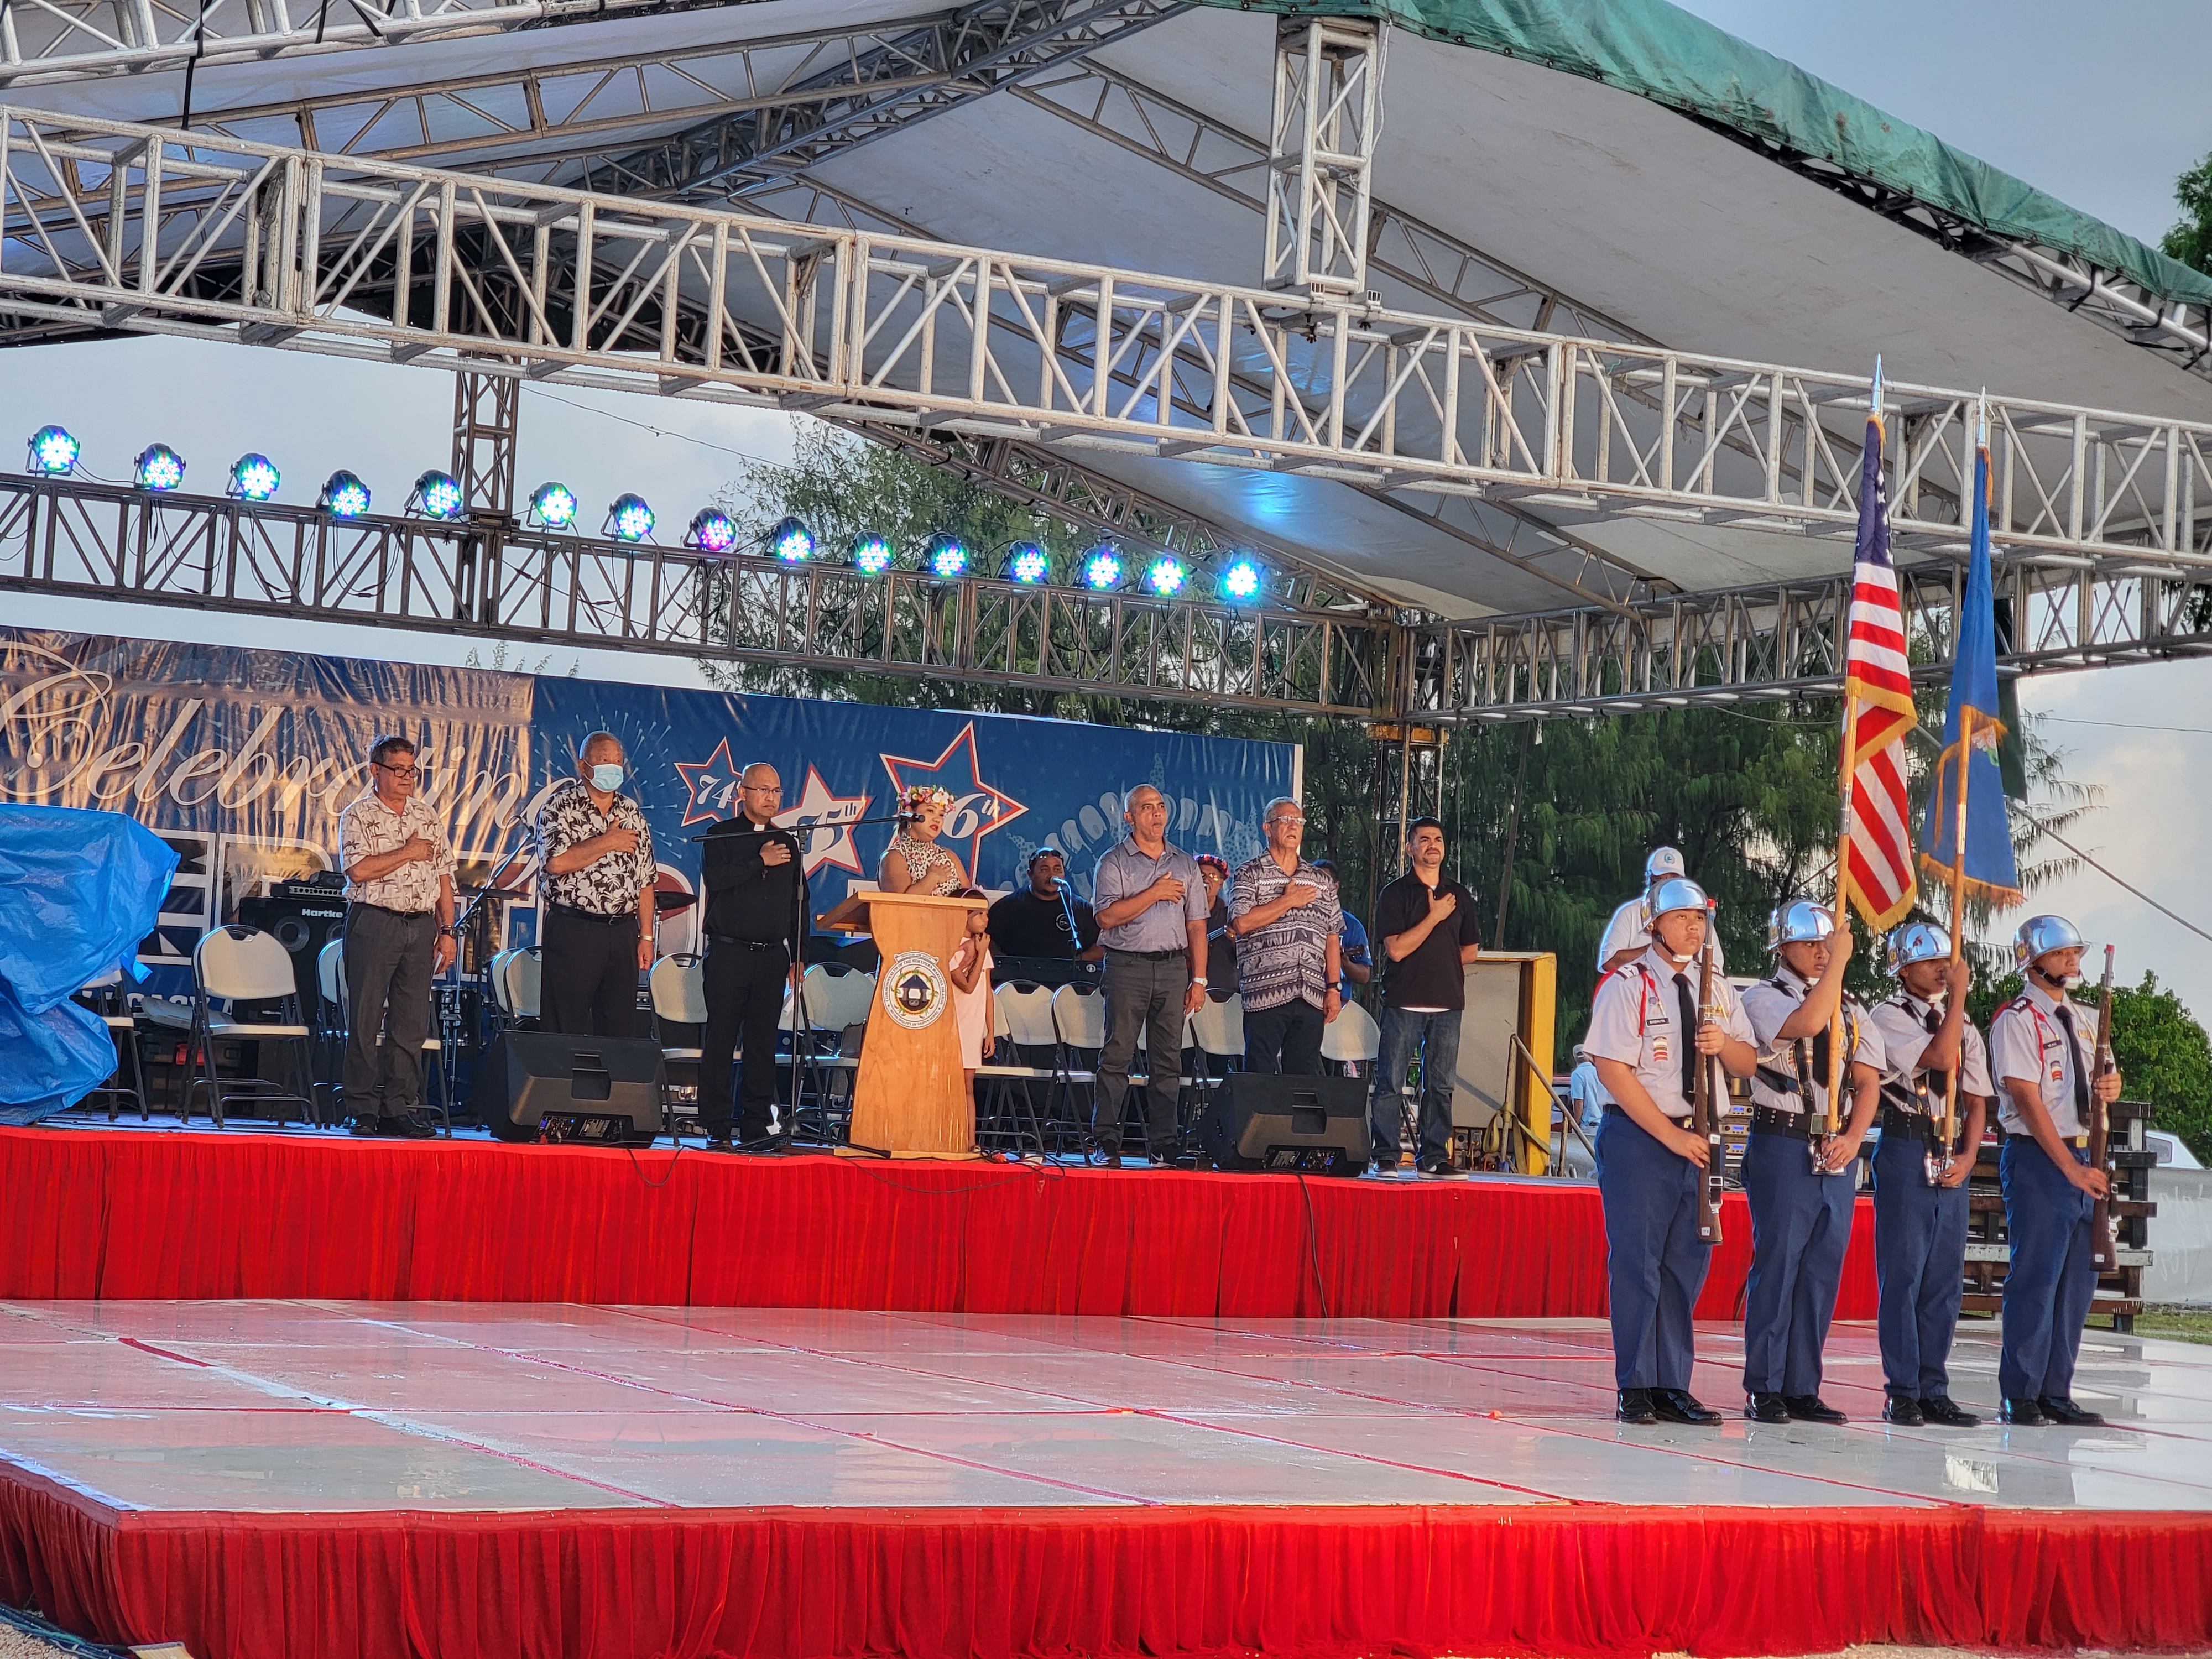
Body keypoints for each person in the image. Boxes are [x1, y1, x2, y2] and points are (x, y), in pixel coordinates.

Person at [1585, 877, 1759, 1425]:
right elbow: (1612, 1068)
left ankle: (1671, 1383)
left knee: (1686, 1265)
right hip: (1644, 1138)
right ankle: (1634, 1383)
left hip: (1701, 1138)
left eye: (1699, 918)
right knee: (1638, 1263)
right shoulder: (1629, 984)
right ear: (1654, 924)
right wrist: (1669, 1135)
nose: (1692, 926)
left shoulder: (1718, 988)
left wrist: (1722, 1044)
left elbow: (1748, 1063)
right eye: (1681, 917)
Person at [1738, 900, 1886, 1426]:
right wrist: (1842, 964)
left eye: (1827, 946)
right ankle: (1765, 1383)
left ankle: (1803, 1385)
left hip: (1837, 1149)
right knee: (1778, 1265)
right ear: (1782, 948)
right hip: (1783, 1142)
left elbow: (1868, 1081)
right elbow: (1804, 1023)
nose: (1822, 955)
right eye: (1809, 945)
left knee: (1821, 1272)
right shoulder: (1760, 997)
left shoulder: (1851, 1007)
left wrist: (1853, 1137)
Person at [1989, 914, 2122, 1427]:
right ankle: (2020, 1393)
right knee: (2036, 1278)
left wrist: (2112, 1085)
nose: (2074, 961)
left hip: (2084, 1157)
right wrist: (2069, 1167)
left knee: (2075, 1284)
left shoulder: (2085, 1017)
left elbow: (2106, 1073)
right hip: (2042, 1160)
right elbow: (2027, 1099)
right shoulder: (2018, 1019)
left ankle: (2055, 1390)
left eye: (2076, 954)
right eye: (2064, 953)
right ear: (2035, 960)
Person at [1867, 921, 1989, 1427]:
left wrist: (1969, 1155)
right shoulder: (1887, 1016)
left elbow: (1978, 1101)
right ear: (1903, 969)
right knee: (1905, 1273)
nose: (1943, 968)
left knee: (1943, 1279)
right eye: (1930, 961)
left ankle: (1933, 1385)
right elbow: (1938, 1056)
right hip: (1906, 1143)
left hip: (1950, 1147)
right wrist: (1958, 998)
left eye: (1947, 960)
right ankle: (1903, 1388)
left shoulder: (1965, 1025)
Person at [335, 735, 456, 1138]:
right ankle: (362, 1108)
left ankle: (400, 1107)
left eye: (412, 769)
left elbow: (443, 877)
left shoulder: (427, 815)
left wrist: (447, 930)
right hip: (374, 920)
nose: (407, 777)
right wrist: (407, 851)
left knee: (410, 1022)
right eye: (398, 769)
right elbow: (358, 871)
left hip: (420, 923)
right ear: (376, 771)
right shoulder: (358, 815)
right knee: (365, 1019)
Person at [1089, 785, 1208, 1167]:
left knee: (1168, 1061)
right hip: (1128, 966)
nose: (1156, 815)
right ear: (1129, 817)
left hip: (1174, 968)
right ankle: (1106, 1140)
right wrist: (1155, 893)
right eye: (1146, 808)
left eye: (1160, 807)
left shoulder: (1186, 864)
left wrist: (1200, 980)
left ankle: (1164, 1144)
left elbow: (1196, 927)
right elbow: (1106, 918)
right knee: (1118, 1055)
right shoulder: (1114, 862)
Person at [696, 763, 806, 1152]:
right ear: (742, 792)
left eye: (777, 791)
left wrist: (799, 955)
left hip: (772, 957)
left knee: (762, 1043)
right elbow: (717, 880)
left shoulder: (789, 843)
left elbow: (799, 903)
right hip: (728, 953)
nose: (770, 798)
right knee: (722, 1039)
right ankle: (717, 1124)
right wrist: (760, 861)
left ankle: (756, 1124)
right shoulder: (719, 835)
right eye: (763, 790)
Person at [1368, 817, 1481, 1176]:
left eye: (1438, 839)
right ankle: (1385, 1154)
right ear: (1410, 848)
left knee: (1441, 1084)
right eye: (1424, 839)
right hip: (1404, 1001)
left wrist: (1439, 963)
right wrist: (1432, 919)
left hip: (1448, 1003)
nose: (1433, 845)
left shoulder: (1459, 894)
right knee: (1390, 1080)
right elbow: (1397, 950)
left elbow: (1471, 949)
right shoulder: (1396, 894)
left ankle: (1433, 1156)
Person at [534, 732, 656, 1037]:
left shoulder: (631, 812)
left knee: (619, 1025)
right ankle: (562, 1085)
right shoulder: (559, 807)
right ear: (583, 765)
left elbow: (645, 879)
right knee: (566, 1022)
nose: (612, 768)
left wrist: (646, 936)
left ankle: (611, 1085)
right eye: (604, 760)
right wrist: (608, 842)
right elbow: (556, 862)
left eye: (617, 762)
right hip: (575, 929)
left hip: (622, 932)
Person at [1228, 799, 1342, 1074]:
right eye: (1286, 820)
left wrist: (1333, 988)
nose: (1294, 826)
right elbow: (1241, 923)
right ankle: (1260, 1121)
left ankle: (1299, 1121)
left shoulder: (1320, 880)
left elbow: (1332, 936)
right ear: (1268, 828)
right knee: (1261, 1075)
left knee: (1304, 1077)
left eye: (1299, 821)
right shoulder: (1249, 872)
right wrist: (1287, 901)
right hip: (1265, 991)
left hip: (1311, 994)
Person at [1599, 847, 1726, 977]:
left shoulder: (1697, 915)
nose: (1666, 886)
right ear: (1649, 878)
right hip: (1639, 991)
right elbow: (1608, 962)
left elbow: (1715, 970)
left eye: (1672, 880)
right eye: (1661, 879)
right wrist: (1659, 949)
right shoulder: (1630, 912)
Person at [987, 848, 1102, 964]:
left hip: (1069, 979)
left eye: (1057, 869)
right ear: (1030, 874)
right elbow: (988, 943)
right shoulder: (1007, 907)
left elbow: (1100, 947)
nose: (1052, 875)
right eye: (1044, 870)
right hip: (1019, 979)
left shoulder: (1081, 909)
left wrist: (1072, 966)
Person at [946, 892, 995, 1113]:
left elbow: (987, 993)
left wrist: (990, 1031)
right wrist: (981, 952)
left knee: (968, 1086)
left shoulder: (982, 945)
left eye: (986, 914)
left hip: (973, 1027)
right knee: (949, 1084)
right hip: (954, 1023)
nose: (985, 920)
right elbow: (967, 986)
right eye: (979, 915)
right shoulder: (951, 947)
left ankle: (969, 1142)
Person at [879, 785, 968, 895]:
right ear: (909, 813)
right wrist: (932, 878)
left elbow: (970, 901)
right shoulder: (894, 857)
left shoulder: (950, 857)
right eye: (931, 811)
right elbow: (900, 906)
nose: (937, 819)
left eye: (941, 814)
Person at [1312, 859, 1372, 999]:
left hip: (1339, 1004)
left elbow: (1365, 976)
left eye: (1323, 884)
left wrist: (1345, 962)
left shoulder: (1352, 925)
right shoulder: (1296, 920)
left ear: (1336, 887)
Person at [1195, 854, 1238, 996]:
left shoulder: (1230, 915)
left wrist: (1235, 941)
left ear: (1220, 884)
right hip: (1187, 989)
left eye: (1213, 876)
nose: (1206, 879)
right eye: (1201, 875)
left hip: (1223, 991)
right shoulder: (1179, 913)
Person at [1568, 1044, 1608, 1138]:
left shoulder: (1577, 1075)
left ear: (1574, 1058)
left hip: (1589, 1126)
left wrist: (1576, 1124)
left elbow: (1578, 1102)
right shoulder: (1600, 1072)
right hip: (1604, 1125)